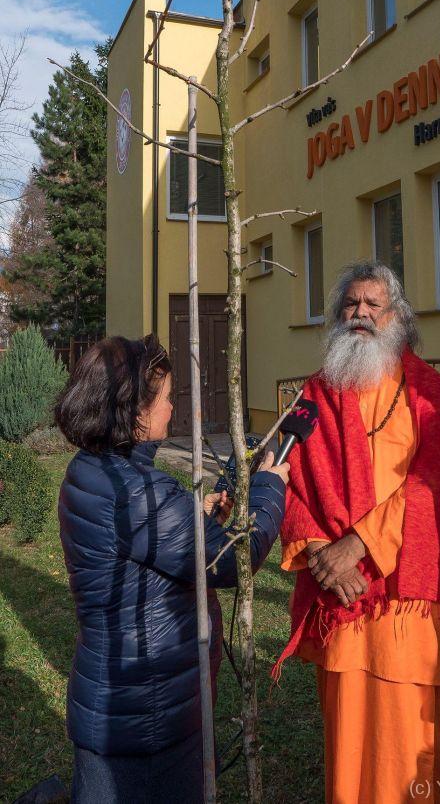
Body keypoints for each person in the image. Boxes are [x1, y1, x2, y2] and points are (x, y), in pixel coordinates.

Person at [273, 261, 440, 804]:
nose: (361, 314)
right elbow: (286, 479)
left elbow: (434, 482)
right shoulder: (314, 395)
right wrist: (319, 551)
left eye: (374, 305)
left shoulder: (429, 392)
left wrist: (359, 544)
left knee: (411, 747)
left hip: (411, 595)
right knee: (348, 742)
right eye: (351, 304)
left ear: (398, 318)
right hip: (343, 595)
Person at [55, 335, 289, 804]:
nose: (172, 406)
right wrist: (269, 485)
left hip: (114, 702)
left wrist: (191, 518)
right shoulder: (138, 492)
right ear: (134, 413)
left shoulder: (91, 470)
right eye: (164, 396)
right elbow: (234, 560)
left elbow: (139, 544)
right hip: (147, 715)